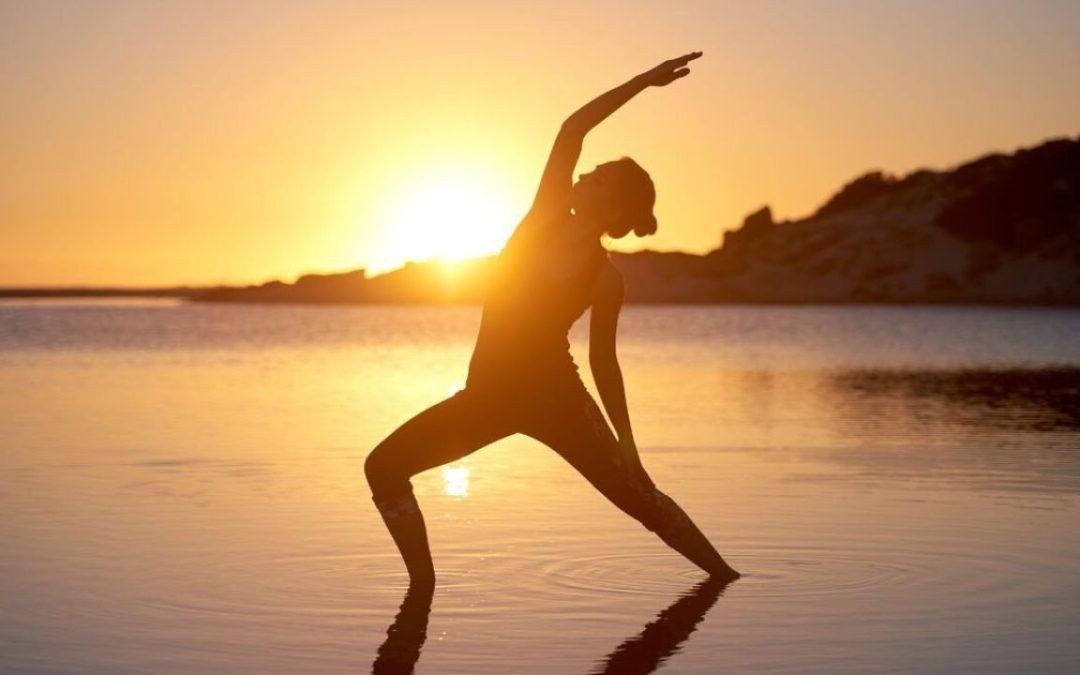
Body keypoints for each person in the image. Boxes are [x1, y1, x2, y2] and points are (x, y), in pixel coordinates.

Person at [365, 51, 740, 588]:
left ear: (614, 207)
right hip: (485, 398)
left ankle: (726, 580)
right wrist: (642, 81)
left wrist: (629, 447)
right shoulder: (540, 219)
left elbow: (603, 364)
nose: (586, 173)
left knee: (642, 501)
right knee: (383, 468)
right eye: (593, 169)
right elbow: (572, 130)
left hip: (557, 400)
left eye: (602, 177)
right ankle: (421, 589)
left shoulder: (605, 277)